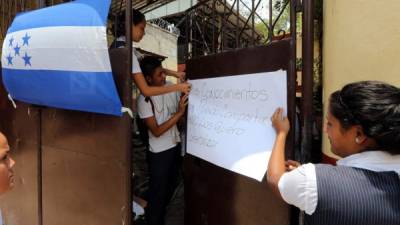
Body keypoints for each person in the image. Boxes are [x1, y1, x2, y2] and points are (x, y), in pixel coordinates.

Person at [267, 81, 400, 225]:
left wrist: (281, 133)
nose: (325, 130)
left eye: (330, 124)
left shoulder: (316, 182)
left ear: (359, 134)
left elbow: (276, 180)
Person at [137, 56, 187, 225]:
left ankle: (160, 216)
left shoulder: (170, 88)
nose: (164, 77)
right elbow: (157, 131)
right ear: (148, 79)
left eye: (163, 72)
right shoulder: (144, 101)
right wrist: (179, 113)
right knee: (157, 193)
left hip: (174, 145)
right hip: (159, 153)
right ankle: (153, 220)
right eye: (159, 75)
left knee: (170, 185)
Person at [111, 9, 191, 97]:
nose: (144, 33)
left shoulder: (116, 46)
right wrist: (178, 87)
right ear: (130, 25)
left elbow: (151, 68)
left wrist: (175, 74)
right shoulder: (126, 53)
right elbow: (146, 91)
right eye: (142, 28)